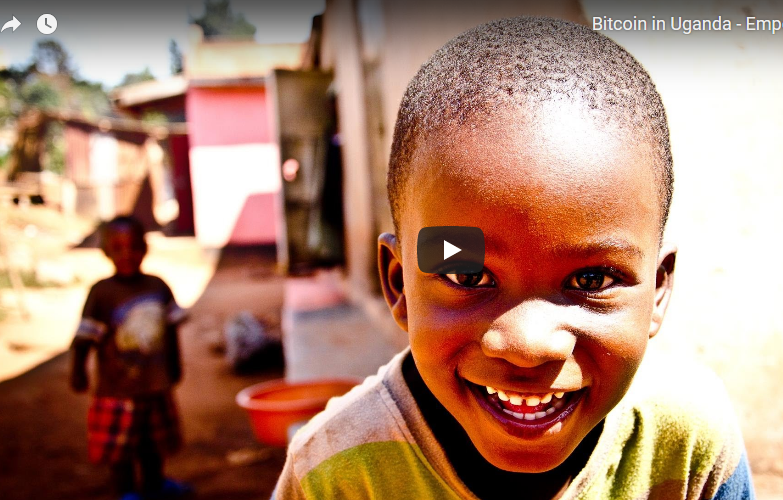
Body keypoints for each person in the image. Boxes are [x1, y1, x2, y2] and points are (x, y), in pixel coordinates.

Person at [273, 16, 755, 499]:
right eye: (467, 274)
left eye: (592, 280)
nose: (527, 345)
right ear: (399, 283)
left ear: (659, 288)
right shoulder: (333, 474)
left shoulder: (689, 444)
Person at [70, 215, 191, 500]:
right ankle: (126, 492)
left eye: (134, 247)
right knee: (120, 450)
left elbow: (170, 330)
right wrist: (78, 371)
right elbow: (85, 338)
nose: (127, 254)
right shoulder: (101, 293)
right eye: (118, 247)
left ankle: (155, 485)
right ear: (106, 251)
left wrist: (174, 366)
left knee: (153, 444)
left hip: (155, 386)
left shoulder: (157, 286)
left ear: (145, 248)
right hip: (117, 391)